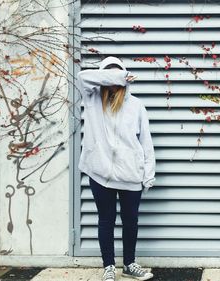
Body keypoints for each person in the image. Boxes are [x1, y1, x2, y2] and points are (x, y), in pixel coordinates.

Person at [76, 56, 155, 281]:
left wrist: (148, 175)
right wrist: (118, 76)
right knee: (106, 220)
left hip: (130, 174)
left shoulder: (136, 105)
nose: (112, 80)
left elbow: (146, 142)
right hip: (100, 174)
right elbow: (83, 76)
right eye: (108, 75)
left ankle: (129, 264)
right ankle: (108, 266)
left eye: (117, 74)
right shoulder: (92, 99)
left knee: (131, 221)